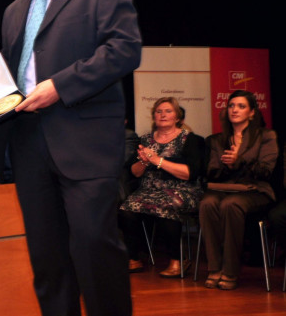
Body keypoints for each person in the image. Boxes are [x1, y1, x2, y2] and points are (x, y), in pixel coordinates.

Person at [0, 0, 142, 316]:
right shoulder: (13, 11)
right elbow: (16, 76)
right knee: (47, 262)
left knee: (93, 249)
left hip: (85, 143)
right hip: (28, 146)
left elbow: (124, 50)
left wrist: (60, 87)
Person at [199, 90, 278, 290]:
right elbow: (212, 173)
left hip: (256, 190)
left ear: (252, 112)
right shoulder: (217, 140)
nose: (234, 110)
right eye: (231, 105)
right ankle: (214, 268)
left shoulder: (266, 136)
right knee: (207, 202)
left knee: (231, 205)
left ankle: (231, 270)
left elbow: (266, 172)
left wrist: (239, 160)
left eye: (241, 106)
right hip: (224, 188)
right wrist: (228, 165)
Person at [119, 97, 205, 277]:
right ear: (153, 117)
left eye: (168, 111)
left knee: (165, 205)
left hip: (182, 190)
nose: (163, 114)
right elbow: (135, 173)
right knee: (127, 208)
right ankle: (132, 258)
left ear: (177, 117)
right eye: (159, 111)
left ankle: (177, 260)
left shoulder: (190, 139)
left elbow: (189, 173)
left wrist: (158, 161)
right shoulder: (145, 140)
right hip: (148, 190)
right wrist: (143, 162)